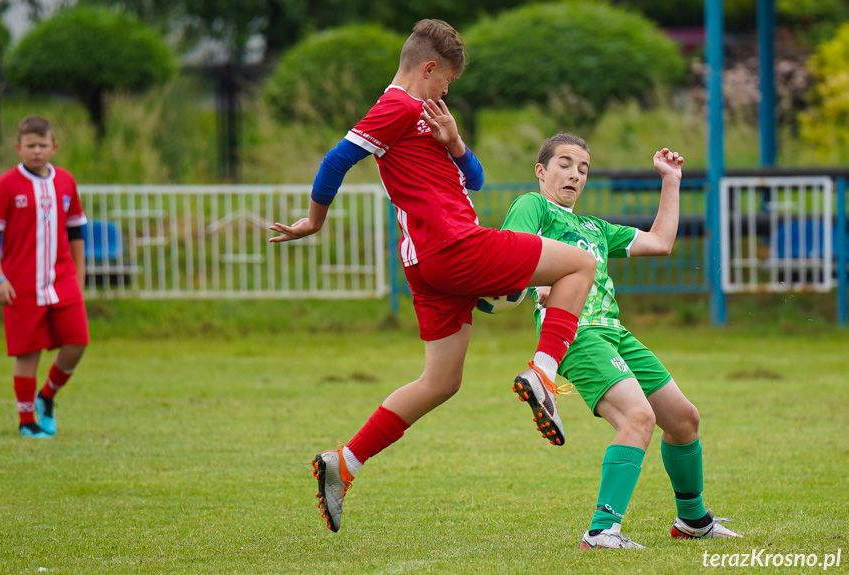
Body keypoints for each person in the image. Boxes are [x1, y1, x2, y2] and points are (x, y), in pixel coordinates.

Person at [269, 20, 597, 533]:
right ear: (427, 69)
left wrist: (456, 143)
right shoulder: (398, 105)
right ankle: (543, 372)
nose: (447, 90)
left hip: (427, 265)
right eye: (445, 80)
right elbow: (336, 160)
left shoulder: (426, 117)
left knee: (441, 381)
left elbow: (476, 179)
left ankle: (344, 463)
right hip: (453, 245)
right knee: (581, 262)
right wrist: (314, 220)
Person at [501, 133, 741, 548]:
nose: (575, 173)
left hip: (615, 334)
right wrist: (535, 284)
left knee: (684, 421)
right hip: (574, 335)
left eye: (583, 168)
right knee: (638, 418)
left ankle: (693, 520)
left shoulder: (595, 228)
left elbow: (661, 242)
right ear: (540, 171)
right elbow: (511, 256)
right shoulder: (533, 205)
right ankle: (601, 530)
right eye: (564, 163)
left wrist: (671, 180)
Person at [0, 116, 89, 439]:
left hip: (62, 280)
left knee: (77, 342)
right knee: (28, 352)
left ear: (54, 147)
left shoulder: (66, 182)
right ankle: (26, 420)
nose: (37, 151)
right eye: (30, 146)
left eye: (43, 145)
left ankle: (47, 397)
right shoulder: (5, 185)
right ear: (18, 148)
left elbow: (75, 232)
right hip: (21, 284)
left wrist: (80, 278)